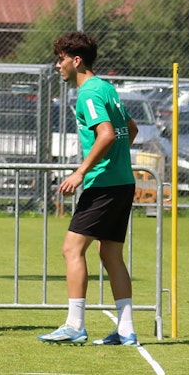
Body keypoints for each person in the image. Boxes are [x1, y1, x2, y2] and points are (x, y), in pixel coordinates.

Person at [38, 31, 139, 346]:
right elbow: (130, 129)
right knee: (109, 253)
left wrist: (83, 170)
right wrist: (117, 162)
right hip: (122, 181)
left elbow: (107, 135)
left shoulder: (88, 93)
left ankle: (75, 325)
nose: (58, 66)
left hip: (104, 185)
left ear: (76, 60)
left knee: (71, 249)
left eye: (61, 59)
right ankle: (126, 331)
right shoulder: (106, 88)